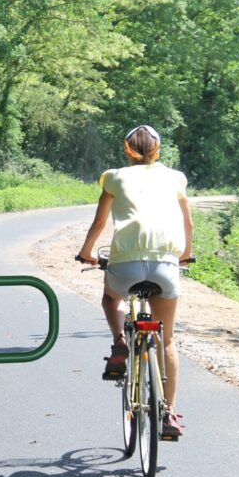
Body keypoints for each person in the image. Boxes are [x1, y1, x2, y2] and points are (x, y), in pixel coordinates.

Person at [76, 124, 193, 438]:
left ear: (126, 150)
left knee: (111, 298)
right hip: (165, 266)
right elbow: (187, 221)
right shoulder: (175, 178)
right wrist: (184, 255)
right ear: (158, 149)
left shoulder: (114, 177)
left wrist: (86, 252)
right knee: (166, 339)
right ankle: (168, 412)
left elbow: (100, 221)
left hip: (125, 265)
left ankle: (120, 342)